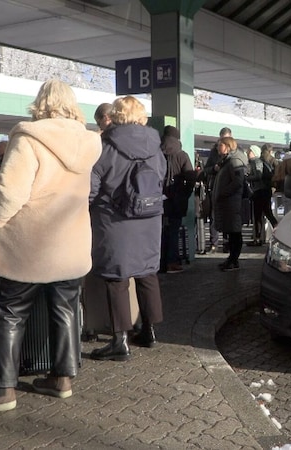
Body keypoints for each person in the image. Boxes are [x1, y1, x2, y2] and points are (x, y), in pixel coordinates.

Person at [0, 79, 101, 414]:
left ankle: (1, 390)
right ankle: (62, 379)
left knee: (9, 311)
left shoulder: (29, 138)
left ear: (41, 103)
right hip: (69, 243)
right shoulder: (89, 143)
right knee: (65, 309)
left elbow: (10, 192)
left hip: (30, 246)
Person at [89, 95, 166, 357]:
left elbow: (92, 186)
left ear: (117, 115)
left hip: (115, 220)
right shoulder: (156, 146)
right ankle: (150, 331)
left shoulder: (105, 145)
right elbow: (161, 178)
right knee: (147, 273)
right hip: (149, 218)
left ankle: (119, 341)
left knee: (117, 278)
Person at [160, 125, 195, 273]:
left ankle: (160, 263)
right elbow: (191, 177)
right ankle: (172, 262)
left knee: (161, 231)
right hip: (177, 200)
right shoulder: (182, 155)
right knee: (174, 230)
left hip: (159, 199)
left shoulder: (157, 153)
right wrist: (185, 194)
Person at [212, 136, 248, 271]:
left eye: (219, 145)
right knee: (231, 231)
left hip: (232, 203)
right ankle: (232, 259)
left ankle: (234, 260)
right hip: (227, 203)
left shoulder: (234, 162)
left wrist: (223, 192)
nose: (217, 148)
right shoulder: (226, 161)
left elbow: (237, 183)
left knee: (234, 232)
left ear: (227, 146)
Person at [201, 127, 233, 253]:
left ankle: (227, 243)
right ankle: (214, 243)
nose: (223, 143)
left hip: (228, 189)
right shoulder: (214, 152)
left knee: (227, 217)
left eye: (226, 140)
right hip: (215, 187)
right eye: (221, 140)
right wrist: (213, 169)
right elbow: (206, 169)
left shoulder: (235, 153)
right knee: (213, 216)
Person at [246, 144, 275, 245]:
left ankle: (257, 239)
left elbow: (258, 175)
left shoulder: (257, 161)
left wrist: (247, 178)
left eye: (249, 151)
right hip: (265, 190)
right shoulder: (265, 162)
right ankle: (259, 237)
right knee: (266, 213)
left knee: (259, 214)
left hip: (260, 191)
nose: (247, 153)